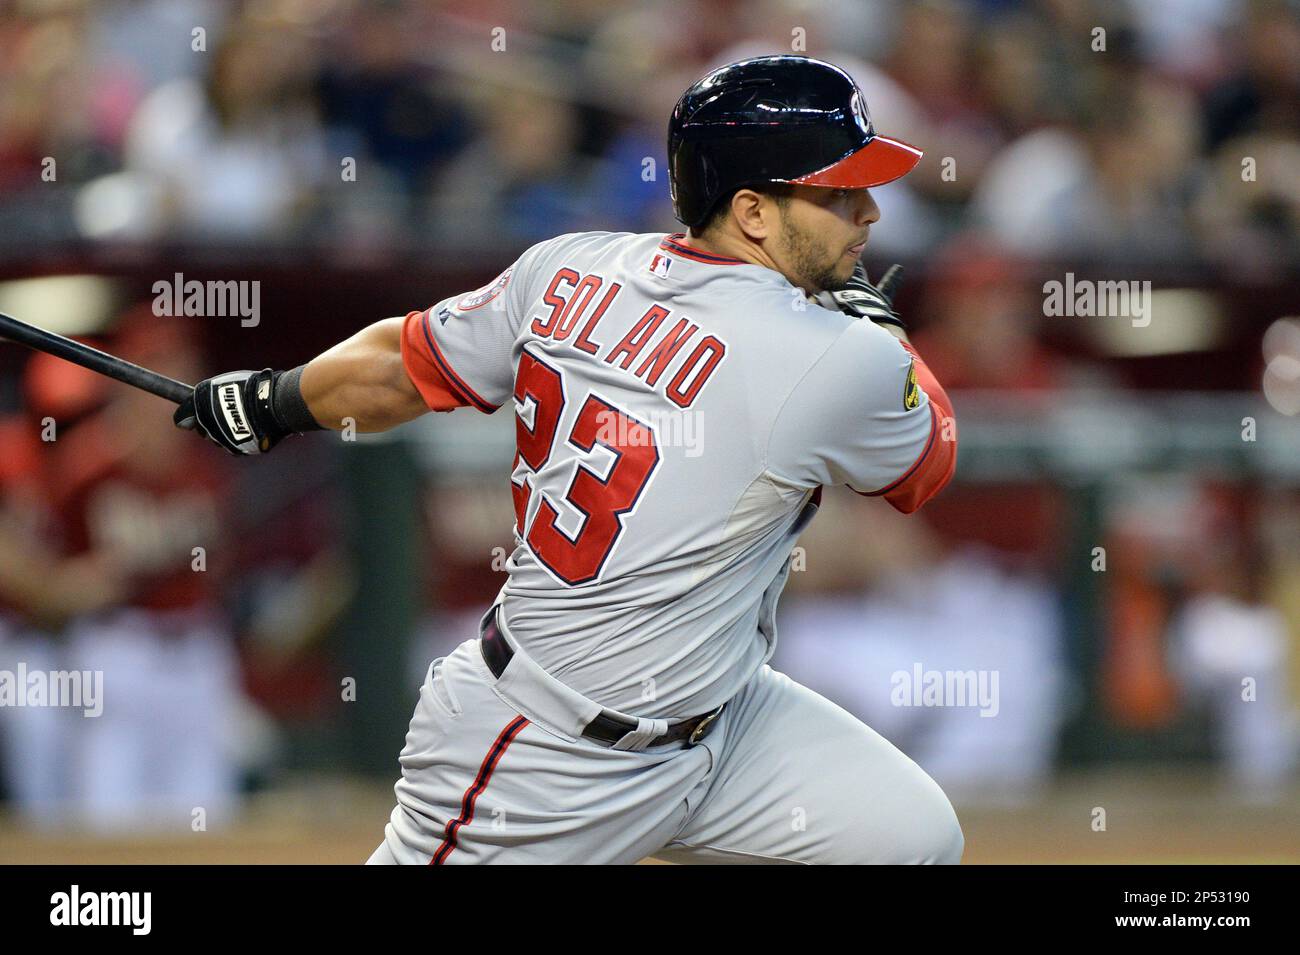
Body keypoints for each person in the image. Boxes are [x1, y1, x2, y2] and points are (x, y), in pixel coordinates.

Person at [174, 55, 963, 864]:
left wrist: (273, 399)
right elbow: (928, 460)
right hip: (543, 752)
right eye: (838, 192)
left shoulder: (570, 264)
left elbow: (399, 367)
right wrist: (885, 332)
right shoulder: (840, 355)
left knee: (907, 836)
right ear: (754, 211)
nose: (869, 212)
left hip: (724, 726)